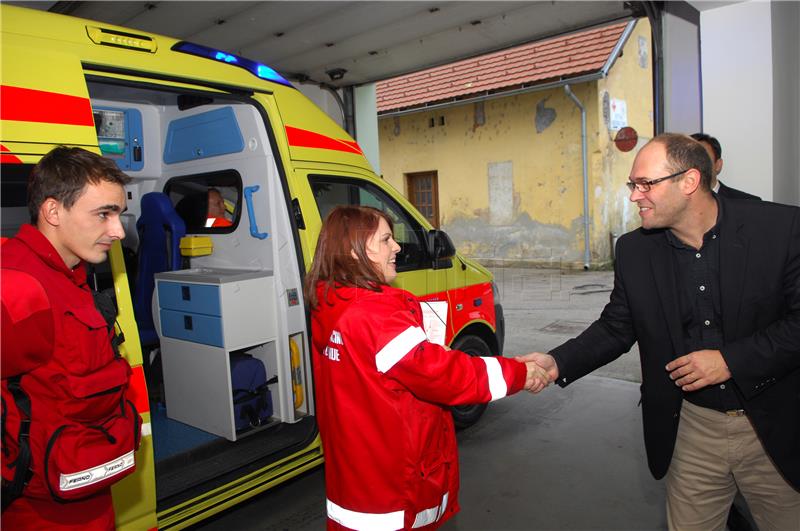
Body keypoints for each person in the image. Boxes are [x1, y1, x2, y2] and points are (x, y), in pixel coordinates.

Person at [524, 133, 800, 530]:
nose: (635, 196)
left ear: (689, 182)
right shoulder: (635, 251)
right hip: (694, 428)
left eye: (645, 184)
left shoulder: (779, 228)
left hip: (773, 425)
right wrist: (555, 362)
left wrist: (730, 361)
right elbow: (617, 326)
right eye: (632, 186)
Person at [306, 206, 547, 530]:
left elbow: (397, 370)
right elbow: (446, 376)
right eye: (386, 239)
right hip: (393, 497)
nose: (397, 247)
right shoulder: (374, 316)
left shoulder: (332, 303)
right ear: (354, 251)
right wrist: (519, 372)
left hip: (356, 483)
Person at [1, 147, 140, 530]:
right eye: (103, 214)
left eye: (118, 214)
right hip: (42, 514)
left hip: (82, 491)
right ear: (52, 212)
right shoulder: (17, 288)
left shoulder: (68, 275)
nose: (118, 231)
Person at [690, 133, 760, 200]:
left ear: (718, 165)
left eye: (702, 159)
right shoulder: (679, 204)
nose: (695, 166)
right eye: (689, 160)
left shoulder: (748, 203)